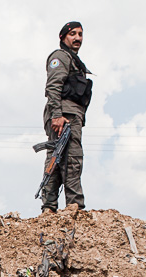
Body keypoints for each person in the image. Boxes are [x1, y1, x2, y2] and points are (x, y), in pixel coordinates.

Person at [41, 20, 92, 213]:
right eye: (73, 34)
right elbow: (53, 87)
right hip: (64, 116)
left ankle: (50, 207)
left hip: (71, 116)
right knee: (70, 159)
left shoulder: (75, 61)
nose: (77, 38)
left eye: (80, 34)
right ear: (63, 37)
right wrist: (57, 115)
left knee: (61, 158)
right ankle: (73, 206)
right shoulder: (60, 57)